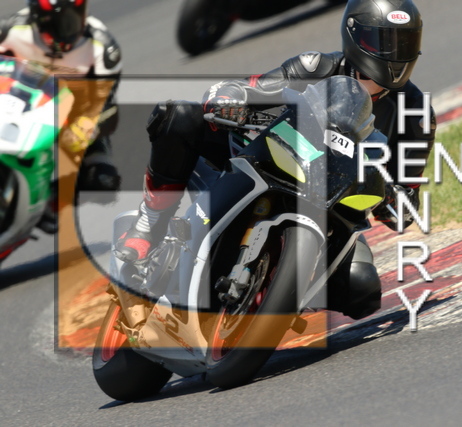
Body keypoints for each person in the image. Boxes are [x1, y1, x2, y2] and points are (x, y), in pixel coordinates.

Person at [117, 0, 436, 319]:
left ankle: (274, 296)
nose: (394, 53)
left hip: (333, 207)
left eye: (404, 43)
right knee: (179, 116)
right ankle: (150, 223)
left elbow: (405, 209)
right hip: (268, 162)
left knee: (361, 290)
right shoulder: (315, 67)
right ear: (354, 37)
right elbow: (252, 88)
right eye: (382, 41)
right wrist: (229, 99)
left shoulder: (417, 115)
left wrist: (389, 194)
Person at [0, 0, 122, 233]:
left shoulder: (102, 49)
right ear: (38, 18)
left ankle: (50, 205)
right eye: (61, 22)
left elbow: (107, 106)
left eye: (76, 16)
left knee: (102, 179)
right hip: (15, 104)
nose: (70, 29)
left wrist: (89, 125)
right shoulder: (10, 31)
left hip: (71, 118)